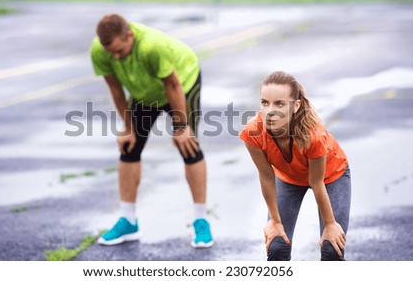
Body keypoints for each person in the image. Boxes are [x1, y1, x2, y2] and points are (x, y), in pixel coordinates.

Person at [90, 13, 213, 248]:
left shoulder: (152, 46)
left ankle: (201, 220)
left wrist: (182, 127)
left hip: (182, 83)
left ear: (130, 36)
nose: (115, 57)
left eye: (120, 51)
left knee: (189, 147)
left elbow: (172, 85)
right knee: (129, 147)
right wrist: (127, 127)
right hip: (145, 92)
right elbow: (115, 89)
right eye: (111, 53)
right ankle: (128, 220)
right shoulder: (100, 50)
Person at [239, 71, 351, 260]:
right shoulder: (253, 132)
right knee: (276, 246)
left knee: (332, 248)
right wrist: (275, 220)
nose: (270, 111)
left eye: (279, 104)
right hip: (288, 177)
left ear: (295, 106)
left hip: (331, 176)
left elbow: (316, 183)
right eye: (264, 103)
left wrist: (330, 224)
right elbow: (266, 176)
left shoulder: (312, 136)